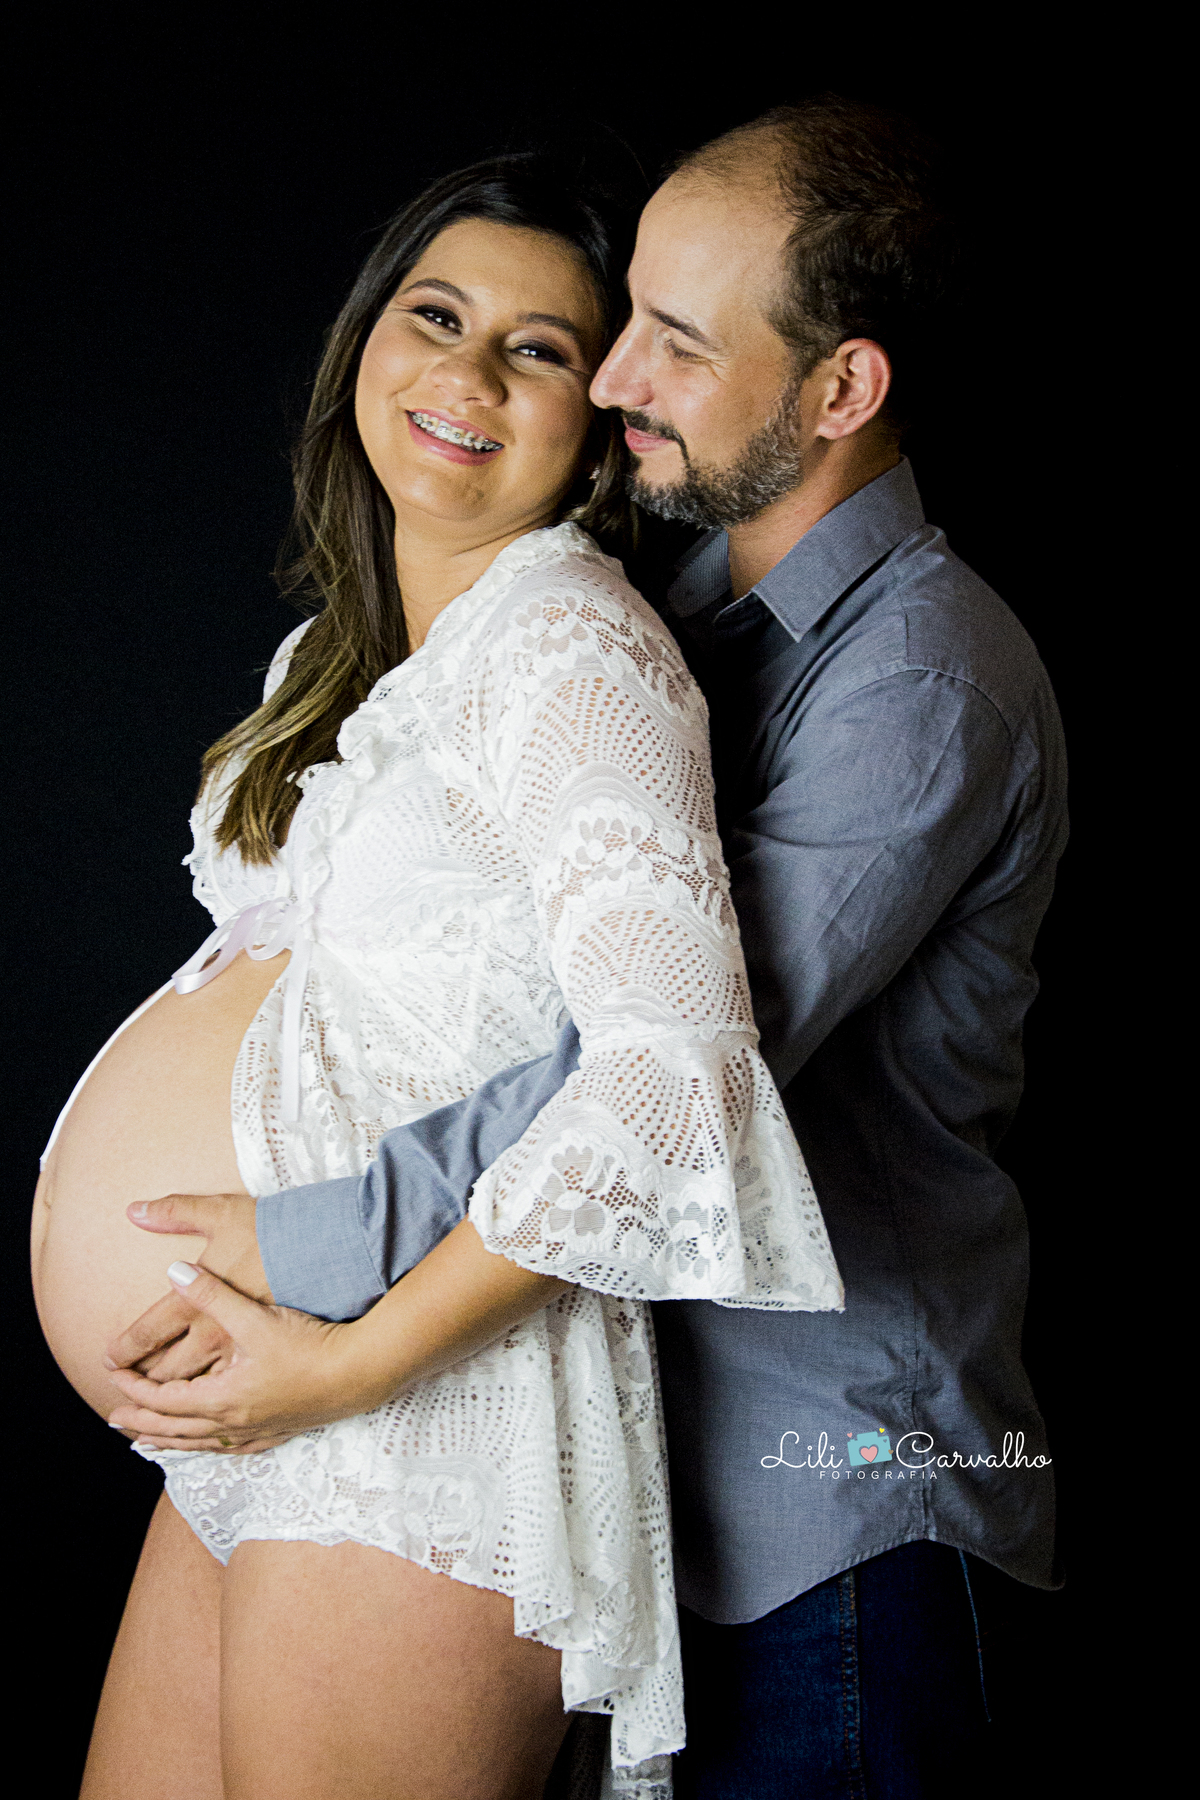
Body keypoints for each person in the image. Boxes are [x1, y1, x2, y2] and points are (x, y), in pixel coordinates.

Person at [104, 97, 1068, 1795]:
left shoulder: (921, 679)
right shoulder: (686, 610)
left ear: (840, 392)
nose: (617, 378)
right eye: (619, 328)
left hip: (836, 1504)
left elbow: (672, 1060)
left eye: (671, 345)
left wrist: (309, 1244)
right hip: (636, 1467)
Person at [31, 153, 844, 1800]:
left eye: (539, 349)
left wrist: (353, 1361)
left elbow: (676, 1072)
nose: (469, 376)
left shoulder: (572, 643)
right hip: (271, 1416)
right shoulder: (343, 668)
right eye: (438, 317)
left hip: (421, 1410)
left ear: (594, 419)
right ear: (361, 353)